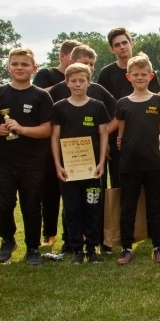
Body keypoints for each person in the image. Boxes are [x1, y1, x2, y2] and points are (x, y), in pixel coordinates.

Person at [0, 47, 53, 265]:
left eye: (25, 64)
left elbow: (47, 129)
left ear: (34, 68)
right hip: (3, 161)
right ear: (8, 67)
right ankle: (8, 239)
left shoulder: (41, 95)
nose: (20, 68)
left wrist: (22, 129)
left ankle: (32, 248)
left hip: (33, 163)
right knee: (2, 204)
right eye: (15, 64)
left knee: (31, 205)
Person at [51, 62, 110, 263]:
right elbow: (54, 137)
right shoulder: (59, 107)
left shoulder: (97, 106)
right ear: (66, 82)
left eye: (81, 80)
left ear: (88, 82)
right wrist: (58, 165)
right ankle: (77, 250)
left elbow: (103, 135)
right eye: (73, 81)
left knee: (92, 208)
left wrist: (101, 163)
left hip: (92, 169)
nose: (77, 84)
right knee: (72, 209)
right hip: (69, 171)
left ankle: (92, 248)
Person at [114, 53, 160, 264]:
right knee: (127, 206)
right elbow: (121, 134)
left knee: (155, 206)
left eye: (143, 74)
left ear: (151, 76)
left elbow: (159, 127)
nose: (139, 77)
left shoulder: (158, 101)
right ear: (129, 77)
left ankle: (158, 246)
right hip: (128, 163)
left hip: (152, 162)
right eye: (135, 74)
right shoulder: (122, 103)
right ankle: (126, 247)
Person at [97, 27, 160, 189]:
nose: (122, 47)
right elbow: (102, 109)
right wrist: (106, 139)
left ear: (131, 43)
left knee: (148, 188)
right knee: (120, 186)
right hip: (116, 140)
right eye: (117, 45)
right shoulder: (107, 73)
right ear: (112, 49)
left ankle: (144, 216)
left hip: (144, 139)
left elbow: (156, 102)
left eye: (125, 42)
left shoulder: (146, 70)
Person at [34, 39, 81, 248]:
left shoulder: (82, 80)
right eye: (73, 58)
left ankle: (73, 234)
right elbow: (36, 94)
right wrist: (66, 82)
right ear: (63, 56)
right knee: (50, 191)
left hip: (75, 145)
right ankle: (49, 233)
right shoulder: (47, 74)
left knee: (73, 192)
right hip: (49, 143)